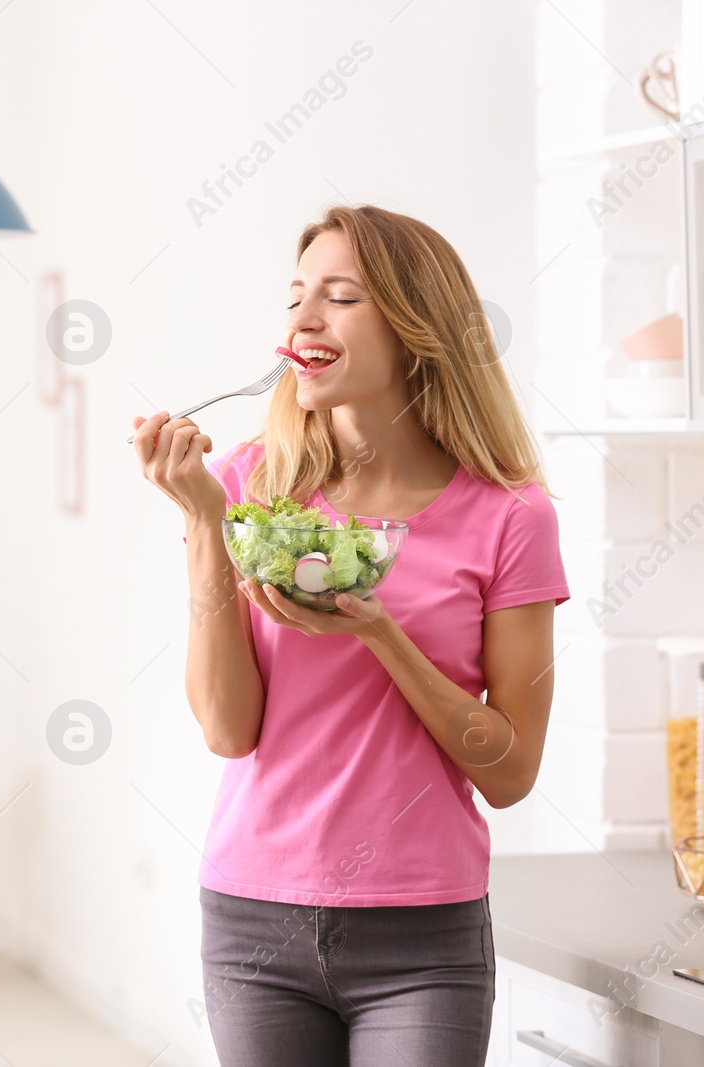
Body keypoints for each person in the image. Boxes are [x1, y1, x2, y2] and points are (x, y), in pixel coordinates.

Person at [132, 205, 570, 1067]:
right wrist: (204, 526)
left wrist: (383, 632)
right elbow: (228, 727)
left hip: (422, 937)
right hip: (254, 918)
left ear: (416, 329)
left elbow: (512, 770)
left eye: (339, 298)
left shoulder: (513, 517)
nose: (302, 320)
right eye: (296, 297)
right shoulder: (245, 485)